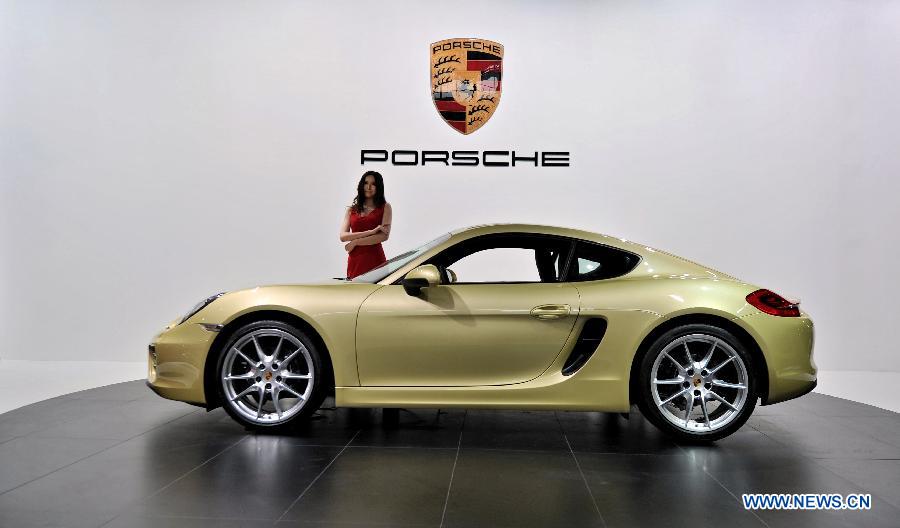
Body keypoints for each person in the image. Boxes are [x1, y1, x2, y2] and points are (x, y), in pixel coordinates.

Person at [340, 171, 392, 279]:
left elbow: (383, 236)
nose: (368, 187)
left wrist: (356, 242)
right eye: (366, 183)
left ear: (378, 187)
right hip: (355, 261)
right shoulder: (351, 210)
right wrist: (371, 232)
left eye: (373, 184)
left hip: (376, 260)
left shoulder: (385, 207)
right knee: (355, 294)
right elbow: (343, 236)